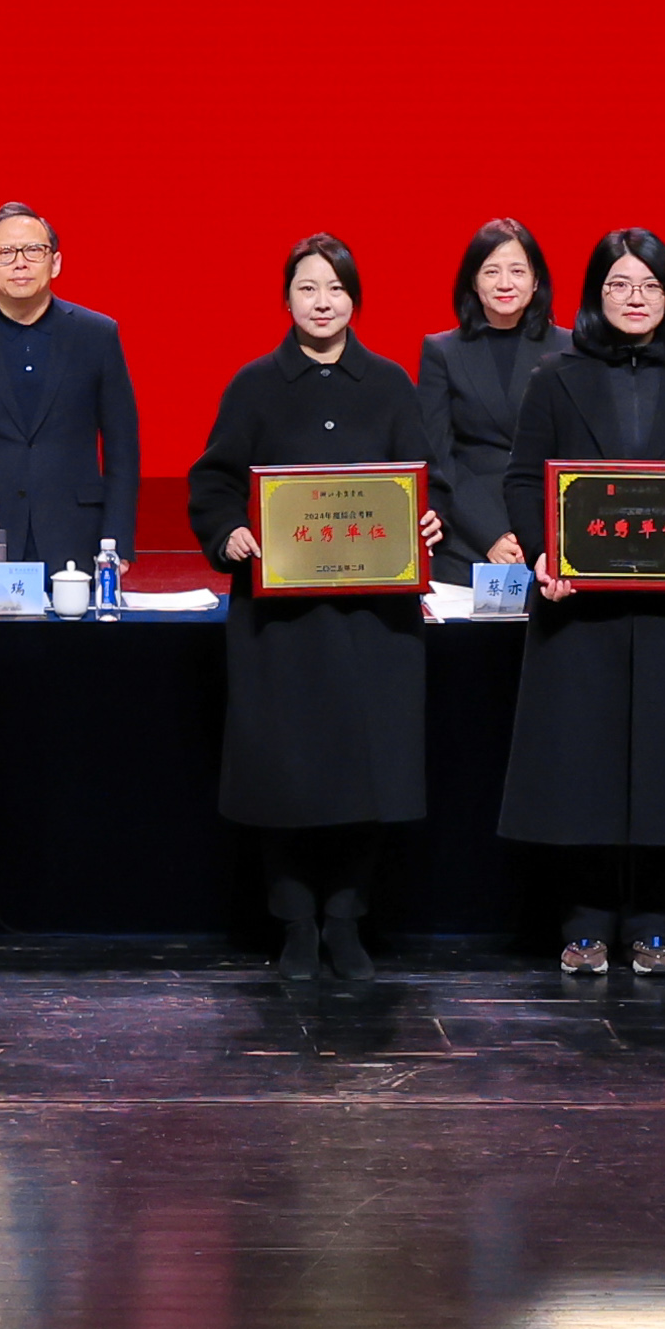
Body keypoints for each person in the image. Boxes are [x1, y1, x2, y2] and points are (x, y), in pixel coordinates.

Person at [494, 228, 665, 976]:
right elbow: (524, 478)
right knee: (582, 770)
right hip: (581, 611)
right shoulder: (556, 376)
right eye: (619, 285)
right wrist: (542, 553)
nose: (634, 298)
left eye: (649, 285)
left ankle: (654, 926)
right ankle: (583, 926)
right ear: (595, 295)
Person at [188, 234, 445, 988]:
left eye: (335, 288)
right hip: (281, 627)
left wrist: (429, 520)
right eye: (307, 288)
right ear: (286, 299)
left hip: (374, 623)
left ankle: (346, 921)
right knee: (286, 779)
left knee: (369, 778)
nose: (322, 302)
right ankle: (296, 924)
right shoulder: (254, 385)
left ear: (355, 299)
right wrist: (228, 532)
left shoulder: (391, 383)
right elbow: (213, 482)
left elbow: (426, 479)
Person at [0, 205, 141, 600]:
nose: (20, 263)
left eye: (33, 250)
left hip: (77, 532)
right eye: (5, 253)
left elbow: (122, 447)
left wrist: (116, 540)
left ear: (55, 262)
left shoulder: (97, 335)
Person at [416, 219, 570, 575]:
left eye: (517, 271)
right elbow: (438, 458)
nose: (504, 283)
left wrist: (535, 535)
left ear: (536, 280)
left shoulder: (570, 349)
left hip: (551, 532)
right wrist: (491, 535)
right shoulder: (442, 351)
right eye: (491, 271)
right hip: (468, 536)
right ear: (473, 280)